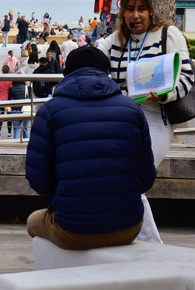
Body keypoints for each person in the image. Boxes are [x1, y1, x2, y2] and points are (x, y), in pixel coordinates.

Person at [25, 45, 156, 250]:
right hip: (128, 227)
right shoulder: (132, 109)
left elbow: (39, 182)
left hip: (72, 229)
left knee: (33, 221)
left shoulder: (49, 111)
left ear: (67, 74)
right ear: (106, 73)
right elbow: (146, 179)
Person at [97, 0, 194, 242]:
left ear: (151, 12)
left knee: (134, 179)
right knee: (124, 181)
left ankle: (150, 246)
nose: (135, 15)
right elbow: (93, 62)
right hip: (121, 121)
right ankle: (141, 244)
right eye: (129, 10)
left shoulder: (167, 34)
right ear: (122, 13)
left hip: (154, 119)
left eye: (141, 9)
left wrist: (166, 95)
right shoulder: (115, 41)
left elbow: (187, 78)